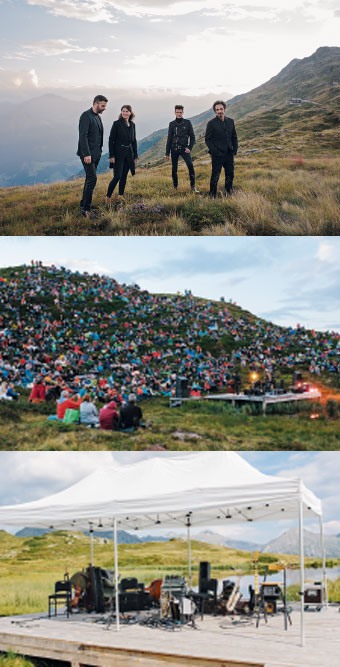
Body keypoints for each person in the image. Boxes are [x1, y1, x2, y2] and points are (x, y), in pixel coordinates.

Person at [77, 95, 108, 218]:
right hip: (88, 155)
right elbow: (82, 136)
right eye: (102, 106)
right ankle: (86, 210)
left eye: (105, 106)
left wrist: (98, 151)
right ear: (96, 103)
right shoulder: (86, 116)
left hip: (96, 154)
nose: (104, 108)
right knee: (92, 179)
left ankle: (83, 203)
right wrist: (87, 154)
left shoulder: (97, 117)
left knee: (89, 179)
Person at [205, 100, 238, 197]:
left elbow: (234, 136)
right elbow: (208, 139)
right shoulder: (211, 123)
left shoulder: (231, 121)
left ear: (225, 109)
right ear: (215, 111)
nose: (220, 111)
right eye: (217, 109)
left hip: (229, 154)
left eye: (221, 109)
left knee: (230, 175)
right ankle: (212, 195)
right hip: (217, 155)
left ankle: (229, 193)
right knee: (215, 176)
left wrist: (234, 149)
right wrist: (215, 151)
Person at [106, 105, 138, 201]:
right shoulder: (116, 124)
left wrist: (135, 155)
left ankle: (121, 195)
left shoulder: (132, 125)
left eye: (127, 111)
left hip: (129, 153)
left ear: (130, 113)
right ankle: (108, 197)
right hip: (118, 153)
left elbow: (134, 141)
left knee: (124, 176)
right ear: (121, 112)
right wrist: (111, 155)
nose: (125, 113)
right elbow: (111, 140)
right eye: (123, 111)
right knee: (117, 176)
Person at [164, 105, 199, 193]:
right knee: (174, 169)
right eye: (177, 112)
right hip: (174, 149)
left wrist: (189, 148)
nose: (179, 114)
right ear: (175, 113)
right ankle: (175, 187)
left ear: (183, 112)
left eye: (180, 112)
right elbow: (169, 139)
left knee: (190, 166)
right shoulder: (171, 124)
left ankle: (193, 187)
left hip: (184, 149)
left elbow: (192, 137)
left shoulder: (187, 123)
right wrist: (167, 153)